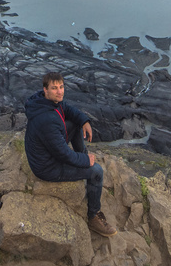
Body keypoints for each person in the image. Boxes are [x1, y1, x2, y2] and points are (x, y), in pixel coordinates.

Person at [23, 71, 117, 237]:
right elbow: (64, 154)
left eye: (61, 87)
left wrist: (84, 121)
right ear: (45, 90)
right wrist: (84, 160)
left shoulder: (48, 102)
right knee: (97, 172)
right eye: (54, 88)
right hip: (48, 167)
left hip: (48, 154)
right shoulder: (46, 120)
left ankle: (85, 163)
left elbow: (68, 109)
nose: (59, 91)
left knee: (74, 122)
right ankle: (93, 216)